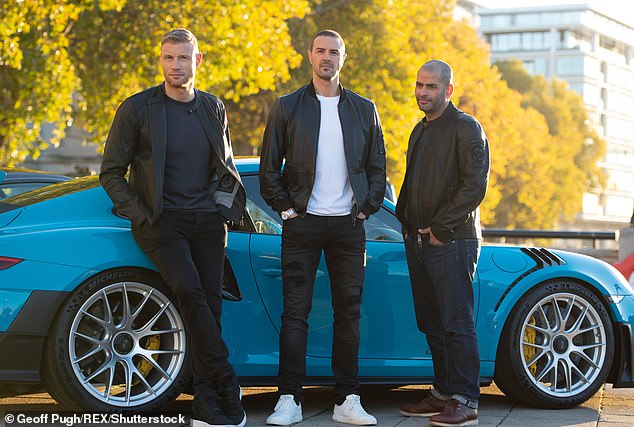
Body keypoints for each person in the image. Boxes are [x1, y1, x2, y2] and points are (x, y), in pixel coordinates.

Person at [100, 28, 247, 427]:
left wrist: (221, 210)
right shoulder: (137, 109)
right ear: (160, 60)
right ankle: (226, 381)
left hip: (207, 222)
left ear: (197, 61)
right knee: (189, 290)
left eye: (183, 58)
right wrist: (142, 213)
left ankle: (204, 398)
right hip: (162, 221)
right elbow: (111, 172)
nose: (175, 66)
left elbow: (225, 165)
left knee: (210, 306)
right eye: (168, 58)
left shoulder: (213, 108)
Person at [259, 29, 386, 426]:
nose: (326, 57)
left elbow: (378, 169)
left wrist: (366, 209)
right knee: (294, 314)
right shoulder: (287, 107)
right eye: (320, 51)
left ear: (343, 58)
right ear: (309, 56)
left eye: (334, 52)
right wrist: (286, 211)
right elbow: (268, 169)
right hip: (303, 225)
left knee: (348, 314)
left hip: (349, 227)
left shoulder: (365, 109)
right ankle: (289, 400)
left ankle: (347, 399)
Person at [396, 60, 490, 427]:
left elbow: (474, 186)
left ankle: (465, 399)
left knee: (457, 323)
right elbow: (412, 183)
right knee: (431, 322)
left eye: (430, 87)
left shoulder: (467, 128)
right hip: (418, 241)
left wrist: (440, 229)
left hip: (452, 241)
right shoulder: (419, 130)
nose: (422, 92)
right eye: (419, 85)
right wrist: (408, 224)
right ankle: (443, 391)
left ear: (448, 90)